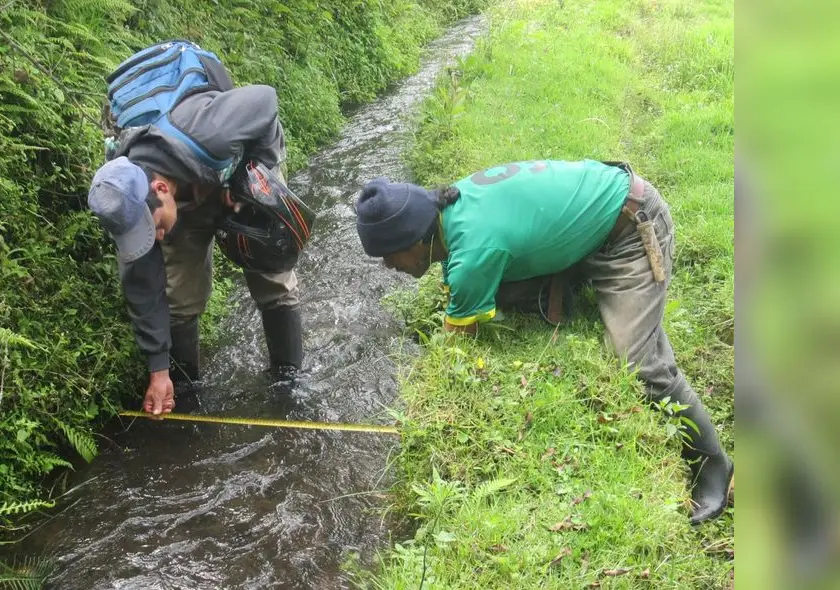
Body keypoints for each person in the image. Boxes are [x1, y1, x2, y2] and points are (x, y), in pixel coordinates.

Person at [354, 159, 733, 524]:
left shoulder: (472, 251)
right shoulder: (456, 204)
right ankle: (563, 285)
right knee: (493, 284)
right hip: (595, 213)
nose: (390, 267)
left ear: (417, 239)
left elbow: (456, 347)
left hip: (630, 228)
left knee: (637, 361)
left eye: (389, 256)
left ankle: (714, 463)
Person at [87, 82, 304, 416]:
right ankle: (186, 392)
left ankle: (288, 381)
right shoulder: (126, 200)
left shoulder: (208, 132)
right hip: (187, 198)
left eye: (154, 227)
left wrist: (253, 174)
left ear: (160, 189)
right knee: (179, 296)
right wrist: (158, 372)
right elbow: (144, 287)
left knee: (271, 273)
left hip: (239, 169)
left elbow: (266, 99)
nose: (154, 237)